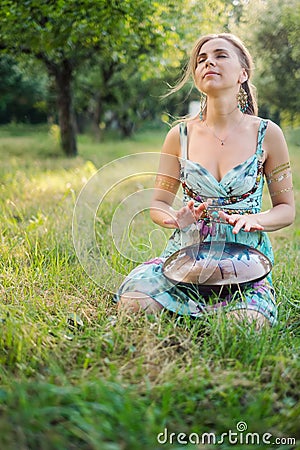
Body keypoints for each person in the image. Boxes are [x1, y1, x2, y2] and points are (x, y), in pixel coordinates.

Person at [115, 33, 295, 328]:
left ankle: (224, 311)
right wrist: (175, 218)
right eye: (201, 59)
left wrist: (256, 219)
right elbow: (158, 204)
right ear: (197, 77)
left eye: (221, 55)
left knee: (245, 323)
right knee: (134, 303)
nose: (209, 61)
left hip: (244, 266)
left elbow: (286, 209)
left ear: (243, 73)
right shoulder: (179, 135)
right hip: (185, 259)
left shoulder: (268, 134)